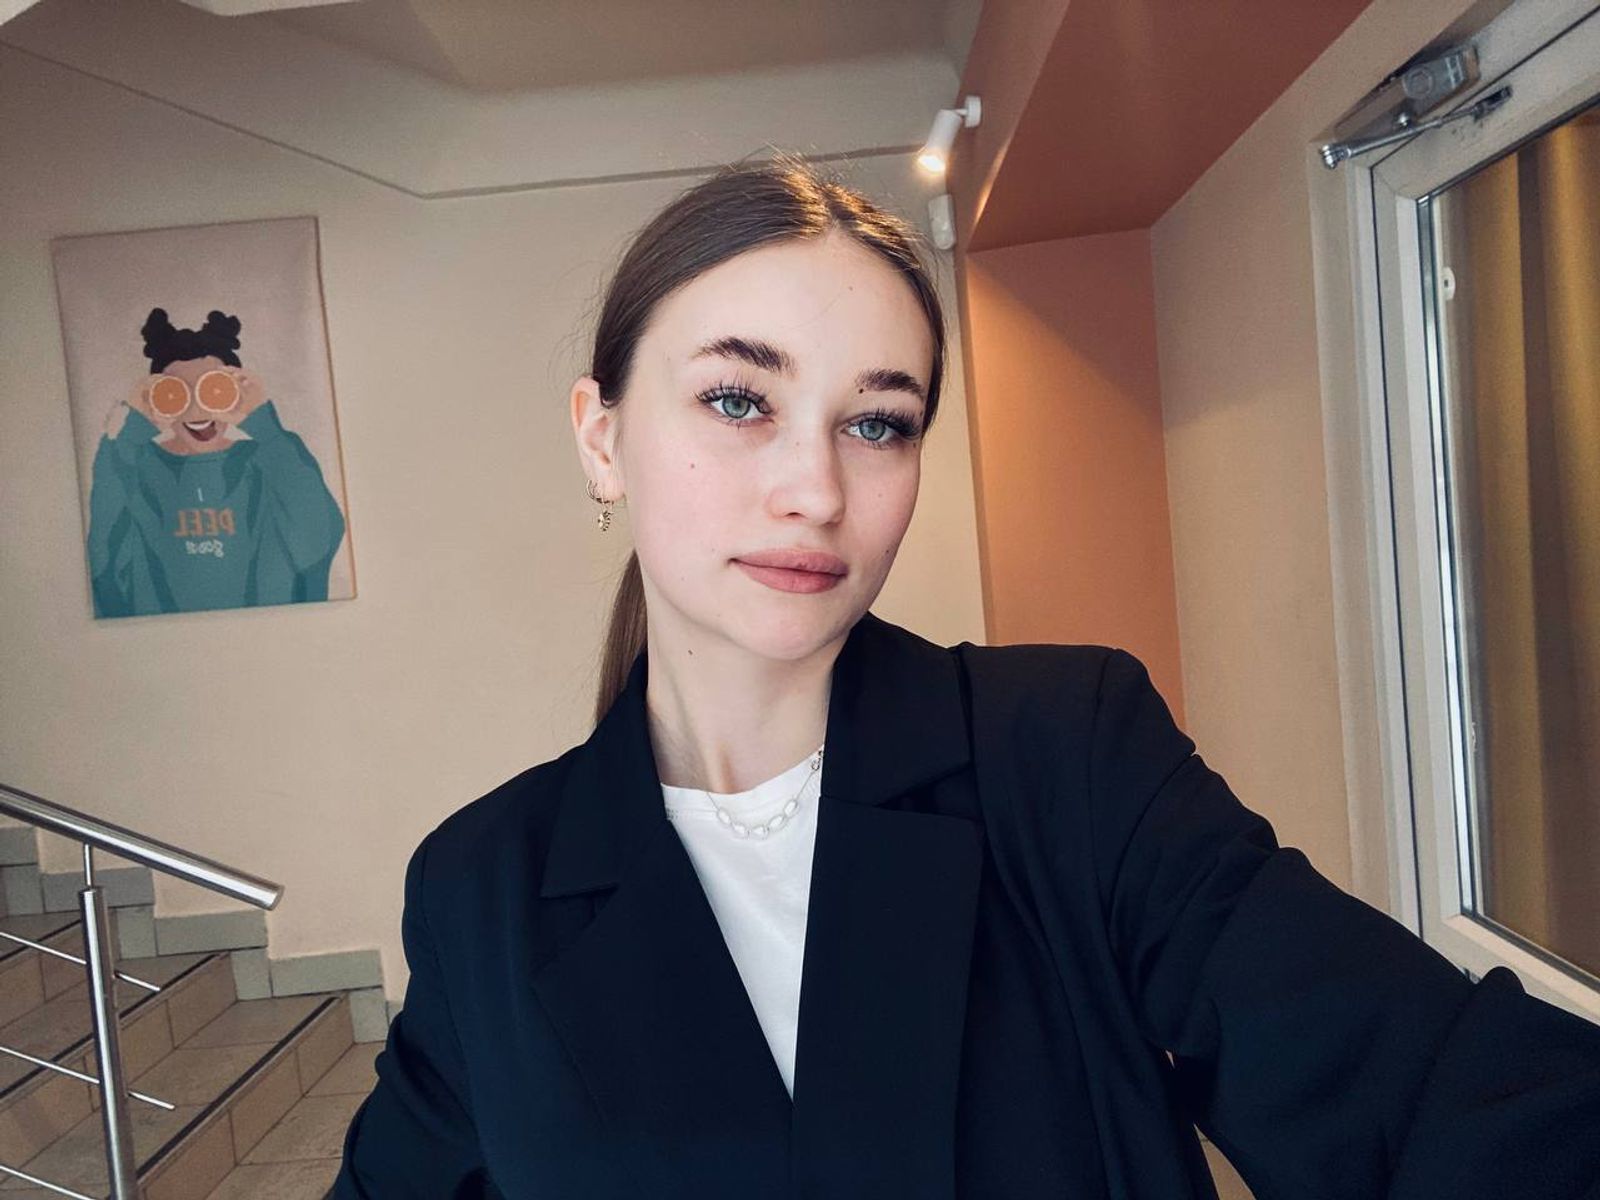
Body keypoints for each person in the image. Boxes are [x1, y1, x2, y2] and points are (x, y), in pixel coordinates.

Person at [332, 152, 1600, 1199]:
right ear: (602, 437)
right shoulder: (481, 885)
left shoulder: (1066, 750)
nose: (816, 489)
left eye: (876, 422)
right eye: (737, 400)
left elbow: (1425, 1087)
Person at [86, 307, 346, 616]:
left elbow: (317, 536)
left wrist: (266, 428)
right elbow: (103, 556)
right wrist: (130, 434)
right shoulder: (134, 465)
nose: (197, 410)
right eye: (177, 394)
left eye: (213, 390)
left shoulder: (266, 460)